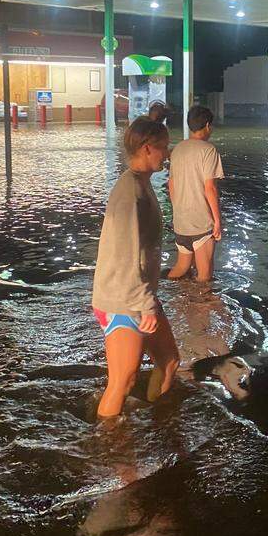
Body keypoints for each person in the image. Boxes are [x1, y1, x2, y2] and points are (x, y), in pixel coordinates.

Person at [92, 116, 179, 418]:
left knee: (169, 361)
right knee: (122, 381)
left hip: (139, 294)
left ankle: (162, 423)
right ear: (146, 148)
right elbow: (127, 255)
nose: (167, 154)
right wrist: (146, 305)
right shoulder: (130, 194)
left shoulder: (141, 184)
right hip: (122, 299)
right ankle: (108, 448)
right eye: (163, 148)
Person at [165, 105, 224, 282]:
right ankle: (200, 308)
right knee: (204, 276)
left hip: (181, 221)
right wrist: (217, 221)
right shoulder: (208, 150)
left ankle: (163, 293)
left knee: (182, 268)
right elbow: (210, 188)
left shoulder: (177, 150)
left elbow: (171, 185)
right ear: (207, 125)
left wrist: (178, 212)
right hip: (201, 223)